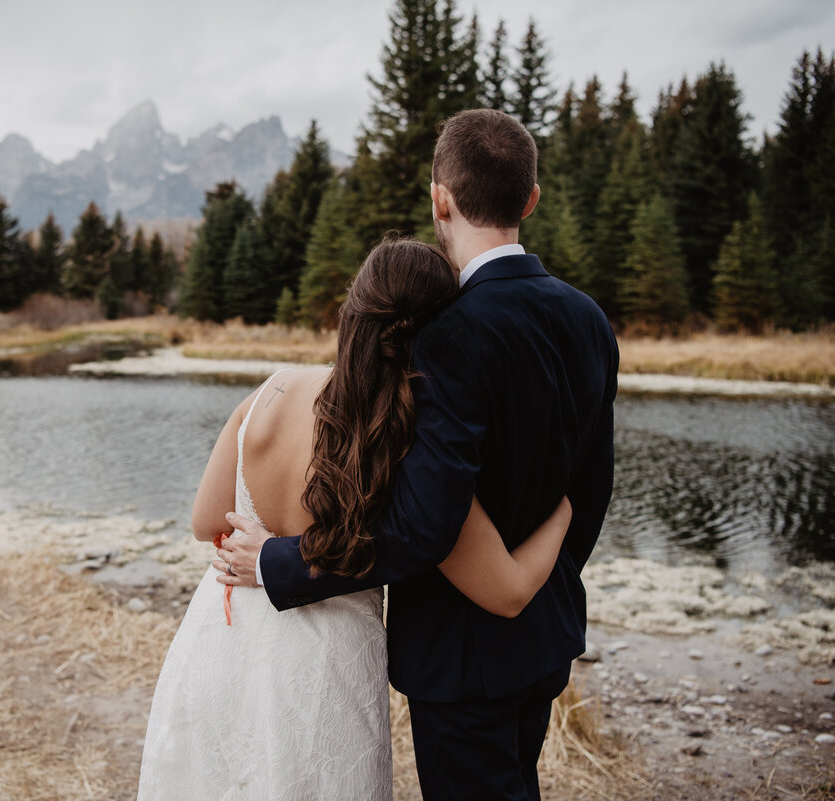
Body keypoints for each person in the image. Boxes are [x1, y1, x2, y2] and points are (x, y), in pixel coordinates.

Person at [219, 109, 619, 801]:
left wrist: (274, 560)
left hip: (463, 663)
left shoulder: (447, 336)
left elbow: (418, 526)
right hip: (546, 636)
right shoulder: (588, 317)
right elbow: (592, 486)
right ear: (530, 200)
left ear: (441, 199)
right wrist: (535, 584)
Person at [137, 238, 575, 801]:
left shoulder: (272, 389)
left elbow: (205, 522)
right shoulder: (400, 440)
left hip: (222, 638)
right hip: (322, 666)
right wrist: (565, 510)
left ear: (354, 308)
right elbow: (505, 588)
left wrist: (261, 546)